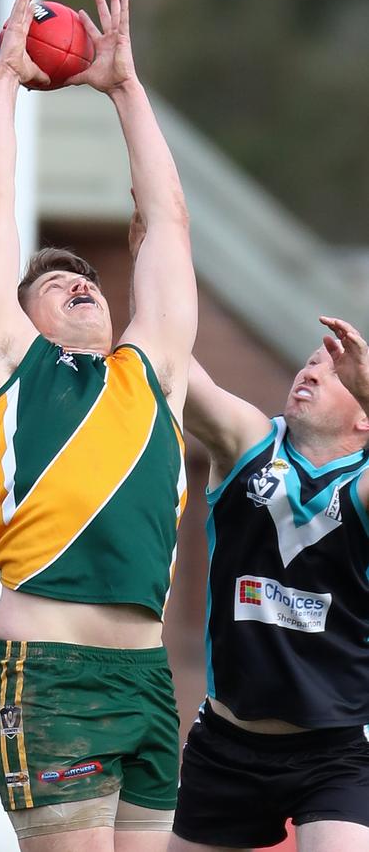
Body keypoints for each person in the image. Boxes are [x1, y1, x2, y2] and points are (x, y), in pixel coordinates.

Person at [0, 0, 198, 849]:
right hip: (47, 679)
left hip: (148, 685)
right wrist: (4, 81)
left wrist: (125, 89)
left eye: (86, 275)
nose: (78, 281)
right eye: (53, 282)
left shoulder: (153, 376)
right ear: (23, 318)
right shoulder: (8, 367)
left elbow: (168, 219)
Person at [162, 310, 369, 850]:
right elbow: (166, 362)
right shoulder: (249, 442)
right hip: (227, 742)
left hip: (336, 750)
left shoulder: (362, 487)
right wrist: (160, 234)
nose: (312, 372)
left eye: (335, 373)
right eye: (310, 362)